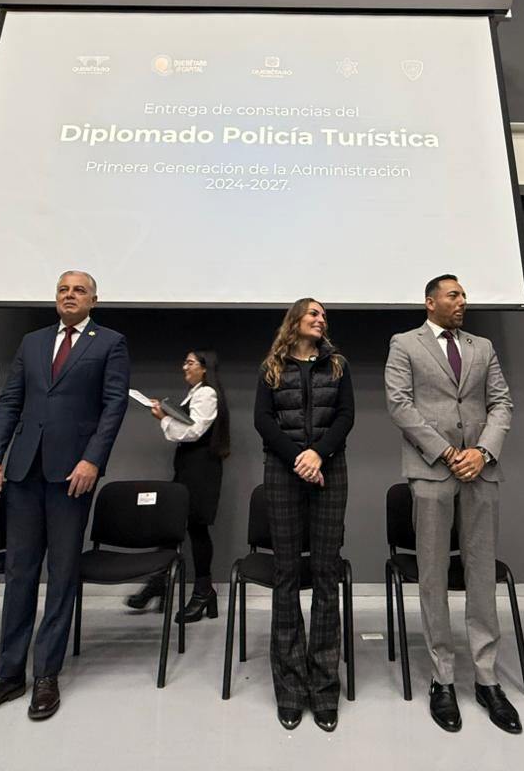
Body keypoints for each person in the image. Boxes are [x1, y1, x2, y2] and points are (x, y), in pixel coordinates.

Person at [0, 271, 129, 724]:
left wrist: (93, 460)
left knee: (62, 571)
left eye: (79, 291)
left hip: (73, 474)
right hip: (23, 470)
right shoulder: (32, 342)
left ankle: (46, 672)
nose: (70, 296)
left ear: (94, 300)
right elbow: (10, 402)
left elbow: (114, 407)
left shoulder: (110, 343)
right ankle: (8, 673)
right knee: (19, 571)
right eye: (63, 290)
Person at [384, 274, 520, 735]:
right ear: (431, 302)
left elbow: (501, 403)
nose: (463, 301)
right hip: (432, 471)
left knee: (481, 573)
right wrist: (446, 452)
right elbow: (400, 405)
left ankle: (486, 678)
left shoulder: (483, 347)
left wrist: (482, 452)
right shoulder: (405, 343)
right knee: (433, 574)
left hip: (481, 471)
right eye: (454, 295)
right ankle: (442, 678)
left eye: (464, 295)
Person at [253, 299, 354, 733]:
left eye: (323, 315)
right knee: (287, 575)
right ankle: (291, 689)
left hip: (330, 471)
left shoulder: (338, 365)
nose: (320, 319)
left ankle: (325, 689)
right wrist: (299, 457)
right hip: (283, 472)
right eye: (313, 313)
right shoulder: (271, 367)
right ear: (295, 321)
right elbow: (263, 420)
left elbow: (346, 417)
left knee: (327, 575)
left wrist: (318, 454)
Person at [125, 350, 230, 622]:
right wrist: (166, 413)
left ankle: (202, 592)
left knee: (196, 528)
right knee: (172, 526)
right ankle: (159, 582)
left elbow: (194, 431)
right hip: (189, 469)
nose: (184, 367)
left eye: (190, 362)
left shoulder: (206, 393)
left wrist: (164, 418)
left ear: (205, 368)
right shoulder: (196, 393)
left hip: (201, 471)